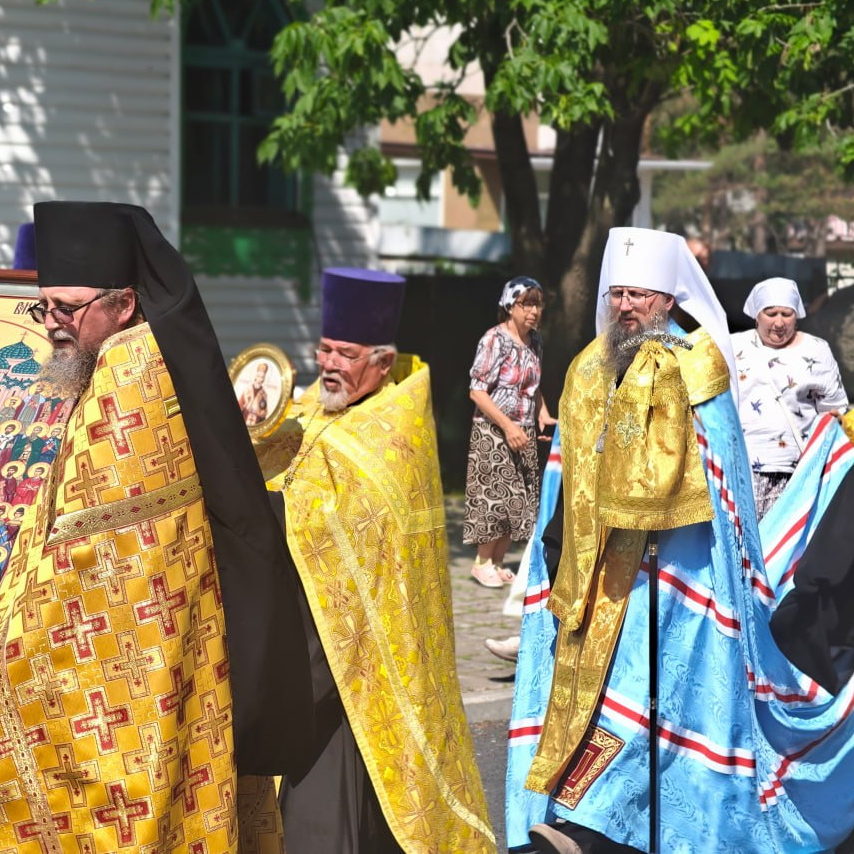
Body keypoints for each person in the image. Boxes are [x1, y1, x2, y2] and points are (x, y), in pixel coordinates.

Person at [0, 201, 313, 852]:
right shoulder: (131, 357)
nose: (51, 324)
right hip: (167, 651)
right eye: (42, 307)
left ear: (124, 304)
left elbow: (86, 562)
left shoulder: (131, 378)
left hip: (130, 658)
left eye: (66, 308)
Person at [506, 228, 854, 853]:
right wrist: (557, 551)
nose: (625, 306)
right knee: (607, 698)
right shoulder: (588, 368)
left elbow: (722, 478)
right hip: (599, 573)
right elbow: (567, 469)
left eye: (639, 295)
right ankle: (590, 820)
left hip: (681, 575)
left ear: (668, 299)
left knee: (653, 699)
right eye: (617, 294)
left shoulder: (699, 364)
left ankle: (602, 826)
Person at [254, 267, 495, 852]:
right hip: (296, 619)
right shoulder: (311, 406)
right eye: (325, 350)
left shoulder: (396, 426)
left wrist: (274, 508)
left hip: (359, 634)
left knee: (337, 794)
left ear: (383, 363)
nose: (330, 365)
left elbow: (353, 522)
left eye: (346, 354)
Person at [464, 275, 556, 587]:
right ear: (509, 305)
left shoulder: (535, 342)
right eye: (526, 304)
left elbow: (533, 386)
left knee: (519, 499)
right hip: (493, 430)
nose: (534, 311)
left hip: (524, 429)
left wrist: (542, 414)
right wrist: (508, 426)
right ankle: (481, 563)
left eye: (538, 305)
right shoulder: (494, 340)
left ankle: (497, 562)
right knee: (495, 497)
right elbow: (477, 391)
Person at [732, 276, 848, 519]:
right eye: (771, 313)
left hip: (799, 472)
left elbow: (834, 409)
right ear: (756, 314)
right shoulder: (733, 346)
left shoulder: (817, 349)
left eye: (787, 314)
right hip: (741, 469)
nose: (779, 323)